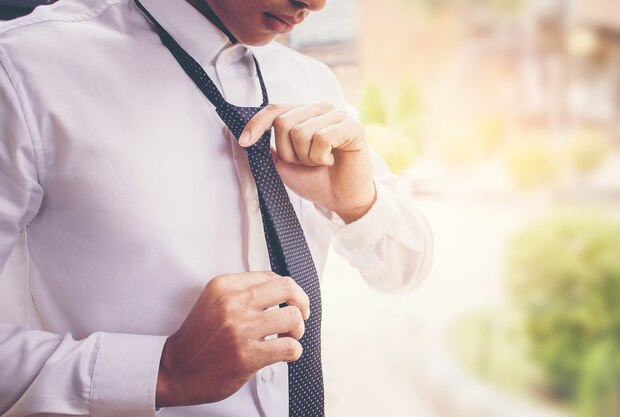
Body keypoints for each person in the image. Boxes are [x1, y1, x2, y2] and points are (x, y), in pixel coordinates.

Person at [0, 0, 433, 416]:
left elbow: (407, 269)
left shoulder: (312, 82)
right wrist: (161, 370)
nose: (315, 4)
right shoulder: (23, 70)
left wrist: (356, 204)